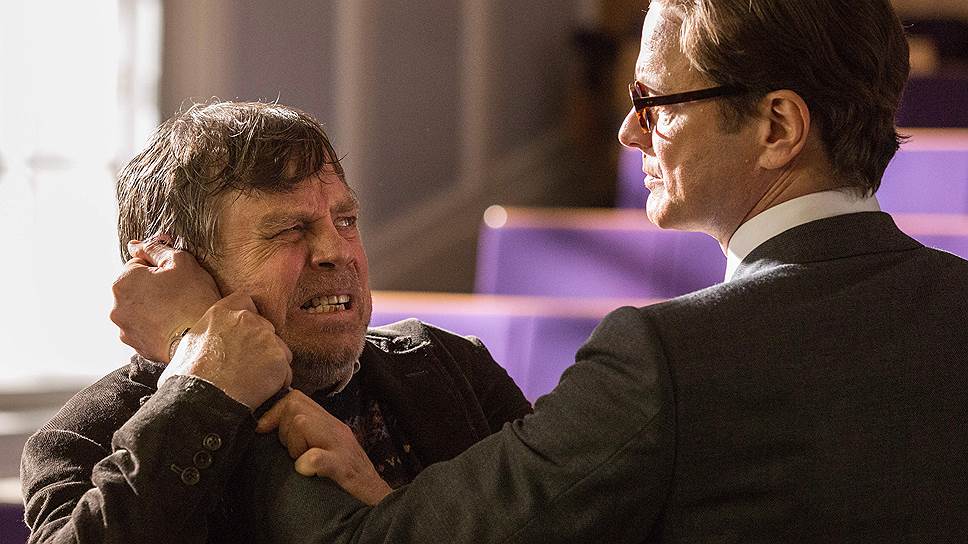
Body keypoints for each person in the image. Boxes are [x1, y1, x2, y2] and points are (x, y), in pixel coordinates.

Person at [196, 1, 966, 542]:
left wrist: (213, 355)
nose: (630, 131)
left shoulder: (667, 361)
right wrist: (389, 498)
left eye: (656, 101)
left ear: (777, 126)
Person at [19, 102, 531, 543]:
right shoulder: (83, 439)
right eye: (289, 229)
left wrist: (381, 499)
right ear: (169, 266)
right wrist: (203, 386)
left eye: (346, 221)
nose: (337, 251)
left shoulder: (451, 369)